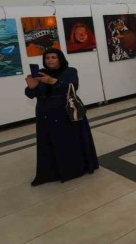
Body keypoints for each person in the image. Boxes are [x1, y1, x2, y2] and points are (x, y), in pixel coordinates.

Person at [25, 49, 99, 186]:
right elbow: (30, 94)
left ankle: (75, 169)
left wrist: (51, 81)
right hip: (45, 113)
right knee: (50, 142)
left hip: (66, 112)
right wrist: (31, 87)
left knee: (69, 140)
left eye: (53, 57)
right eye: (47, 58)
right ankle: (53, 172)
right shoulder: (40, 73)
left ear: (60, 59)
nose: (50, 60)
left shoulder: (69, 71)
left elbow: (72, 86)